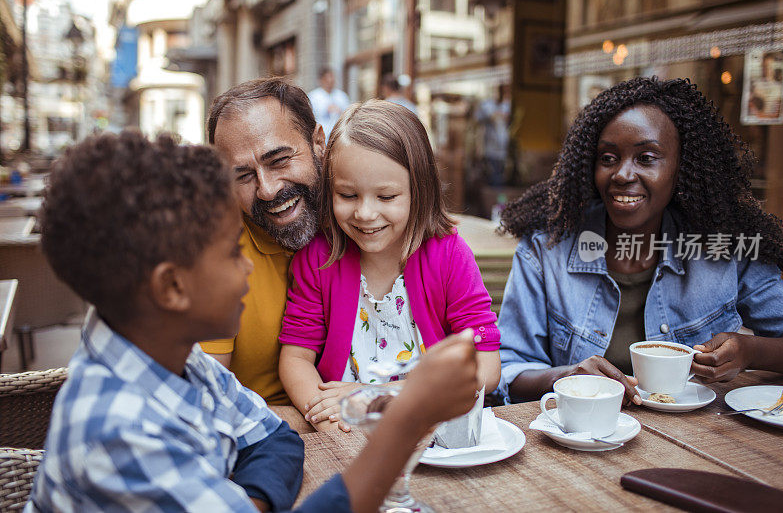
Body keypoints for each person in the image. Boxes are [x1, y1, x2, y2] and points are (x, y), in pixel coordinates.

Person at [27, 130, 482, 513]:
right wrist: (403, 424)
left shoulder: (177, 359)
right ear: (172, 288)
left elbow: (275, 442)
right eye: (231, 251)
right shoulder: (119, 431)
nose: (248, 266)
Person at [497, 76, 783, 405]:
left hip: (699, 442)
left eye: (646, 158)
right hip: (582, 440)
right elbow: (507, 372)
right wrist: (567, 375)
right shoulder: (545, 251)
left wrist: (751, 351)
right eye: (608, 158)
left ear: (680, 169)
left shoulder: (722, 250)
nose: (623, 175)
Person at [279, 100, 502, 431]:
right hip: (345, 430)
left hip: (431, 429)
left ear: (419, 191)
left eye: (386, 197)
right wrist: (328, 417)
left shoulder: (449, 255)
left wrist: (383, 395)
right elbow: (296, 359)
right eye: (348, 195)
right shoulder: (318, 258)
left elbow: (486, 366)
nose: (366, 214)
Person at [200, 77, 325, 405]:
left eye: (279, 160)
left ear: (319, 142)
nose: (267, 189)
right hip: (265, 433)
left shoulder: (362, 215)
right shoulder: (214, 254)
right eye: (243, 175)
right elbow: (207, 401)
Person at [475, 85, 511, 186]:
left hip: (503, 149)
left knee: (500, 175)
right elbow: (486, 117)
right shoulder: (487, 105)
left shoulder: (506, 105)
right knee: (494, 177)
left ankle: (499, 198)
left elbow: (506, 118)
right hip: (491, 149)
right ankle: (497, 199)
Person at [308, 67, 350, 143]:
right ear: (321, 80)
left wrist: (340, 111)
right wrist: (326, 109)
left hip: (339, 135)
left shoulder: (341, 96)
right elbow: (310, 116)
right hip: (321, 135)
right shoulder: (313, 96)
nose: (330, 81)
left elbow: (348, 113)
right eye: (327, 78)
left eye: (332, 78)